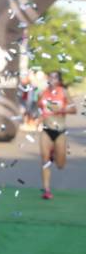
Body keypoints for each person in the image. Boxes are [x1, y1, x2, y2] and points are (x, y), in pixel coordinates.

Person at [37, 71, 76, 200]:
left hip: (60, 131)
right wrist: (38, 118)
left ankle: (56, 155)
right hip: (46, 130)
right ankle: (47, 190)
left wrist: (61, 110)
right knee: (44, 159)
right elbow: (39, 109)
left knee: (60, 165)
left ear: (59, 80)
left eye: (55, 77)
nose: (52, 79)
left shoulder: (63, 92)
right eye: (50, 76)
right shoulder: (43, 93)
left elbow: (74, 109)